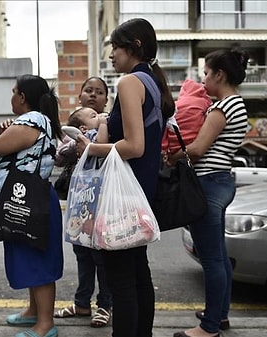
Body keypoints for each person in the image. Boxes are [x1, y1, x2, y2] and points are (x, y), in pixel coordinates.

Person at [75, 18, 175, 337]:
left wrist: (90, 148)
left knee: (121, 279)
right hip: (141, 192)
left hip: (124, 195)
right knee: (137, 272)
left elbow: (134, 146)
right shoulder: (152, 81)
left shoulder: (131, 82)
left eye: (115, 48)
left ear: (134, 47)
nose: (111, 55)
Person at [169, 48, 250, 337]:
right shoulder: (238, 104)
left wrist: (172, 156)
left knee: (212, 258)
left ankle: (209, 327)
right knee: (218, 255)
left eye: (206, 73)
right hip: (221, 181)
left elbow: (197, 149)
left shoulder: (221, 108)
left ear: (220, 74)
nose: (203, 79)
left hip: (207, 184)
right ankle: (220, 315)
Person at [0, 74, 63, 337]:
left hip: (30, 199)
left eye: (14, 91)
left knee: (38, 261)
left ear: (22, 97)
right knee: (31, 256)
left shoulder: (33, 120)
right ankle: (33, 312)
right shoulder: (39, 121)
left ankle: (45, 325)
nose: (11, 96)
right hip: (31, 197)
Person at [53, 107, 112, 328]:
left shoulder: (99, 136)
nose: (100, 115)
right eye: (94, 115)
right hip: (80, 205)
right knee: (82, 256)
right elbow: (60, 155)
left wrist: (103, 123)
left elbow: (100, 146)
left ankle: (105, 305)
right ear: (84, 127)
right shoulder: (79, 139)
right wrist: (78, 136)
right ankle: (82, 303)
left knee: (101, 259)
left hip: (100, 206)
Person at [161, 79, 210, 161]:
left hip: (173, 147)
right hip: (191, 144)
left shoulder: (175, 106)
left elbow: (166, 129)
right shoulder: (204, 103)